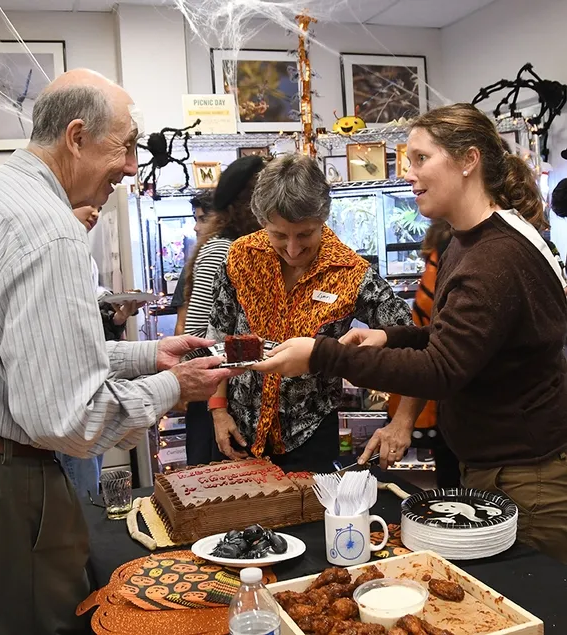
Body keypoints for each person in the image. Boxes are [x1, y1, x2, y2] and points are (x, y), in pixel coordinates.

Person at [0, 69, 236, 635]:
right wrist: (177, 386)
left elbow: (14, 358)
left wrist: (148, 355)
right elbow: (72, 420)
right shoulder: (51, 229)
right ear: (76, 135)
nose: (134, 166)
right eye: (128, 145)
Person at [253, 103, 567, 562]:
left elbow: (442, 370)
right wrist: (392, 338)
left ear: (467, 161)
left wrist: (323, 355)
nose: (408, 172)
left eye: (421, 158)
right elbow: (458, 340)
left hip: (526, 475)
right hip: (500, 465)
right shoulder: (472, 240)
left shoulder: (492, 258)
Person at [208, 153, 414, 473]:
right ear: (263, 222)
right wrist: (218, 410)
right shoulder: (241, 256)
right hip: (239, 429)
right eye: (279, 235)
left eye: (305, 234)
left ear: (323, 218)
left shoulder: (350, 272)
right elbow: (219, 336)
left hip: (310, 436)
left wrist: (403, 422)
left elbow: (415, 343)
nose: (292, 249)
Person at [57, 204, 142, 500]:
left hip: (91, 385)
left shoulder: (82, 254)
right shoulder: (55, 253)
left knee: (89, 474)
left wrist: (117, 318)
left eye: (98, 208)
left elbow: (92, 326)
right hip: (68, 390)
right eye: (86, 206)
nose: (94, 213)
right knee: (78, 482)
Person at [182, 156, 264, 465]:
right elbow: (196, 338)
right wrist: (217, 402)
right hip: (213, 400)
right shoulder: (224, 250)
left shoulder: (239, 246)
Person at [387, 219, 460, 487]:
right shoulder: (450, 252)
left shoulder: (445, 253)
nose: (412, 176)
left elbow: (432, 336)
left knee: (452, 484)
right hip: (445, 397)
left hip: (442, 395)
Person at [172, 191, 214, 336]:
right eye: (196, 219)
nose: (196, 227)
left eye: (203, 219)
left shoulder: (242, 259)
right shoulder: (191, 268)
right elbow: (182, 324)